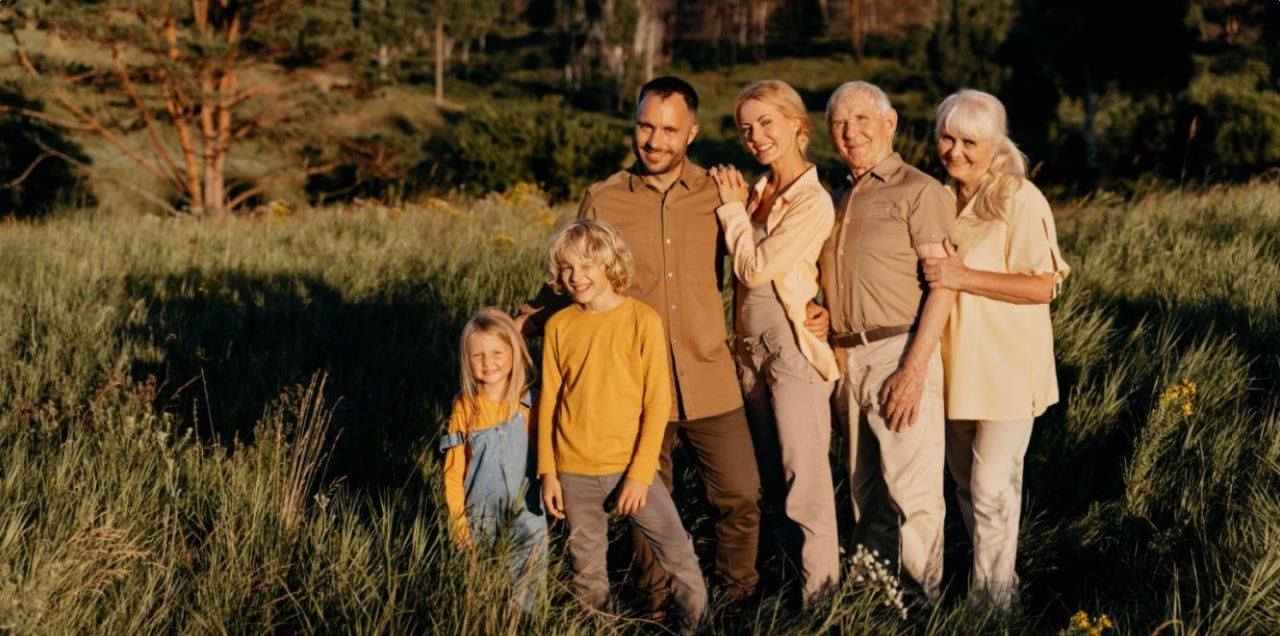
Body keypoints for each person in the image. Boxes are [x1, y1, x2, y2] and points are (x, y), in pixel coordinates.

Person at [517, 76, 768, 614]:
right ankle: (652, 608)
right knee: (642, 506)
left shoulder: (719, 193)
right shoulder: (604, 197)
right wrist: (523, 321)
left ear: (692, 133)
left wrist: (814, 305)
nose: (654, 140)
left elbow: (761, 262)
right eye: (645, 125)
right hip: (631, 388)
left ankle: (736, 602)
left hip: (708, 375)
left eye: (669, 130)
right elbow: (573, 275)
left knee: (741, 493)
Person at [923, 88, 1070, 610]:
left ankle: (995, 601)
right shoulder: (937, 198)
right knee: (966, 485)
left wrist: (963, 276)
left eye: (969, 141)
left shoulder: (1017, 197)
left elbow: (1043, 285)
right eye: (947, 137)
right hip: (954, 367)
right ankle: (990, 586)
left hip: (1008, 367)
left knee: (989, 484)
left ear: (995, 144)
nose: (955, 151)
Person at [819, 80, 956, 606]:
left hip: (900, 351)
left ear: (890, 122)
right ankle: (875, 599)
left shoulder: (919, 190)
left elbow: (942, 286)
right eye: (838, 123)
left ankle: (921, 605)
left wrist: (914, 368)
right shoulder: (837, 198)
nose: (850, 131)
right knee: (866, 492)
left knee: (913, 493)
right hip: (846, 357)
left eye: (860, 119)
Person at [536, 219, 708, 633]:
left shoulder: (642, 320)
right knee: (587, 567)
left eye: (586, 266)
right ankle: (598, 628)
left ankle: (696, 628)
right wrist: (548, 473)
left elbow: (657, 403)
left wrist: (639, 474)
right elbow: (549, 404)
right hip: (573, 471)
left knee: (678, 553)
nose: (576, 278)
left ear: (610, 264)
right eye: (567, 269)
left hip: (632, 469)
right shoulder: (559, 326)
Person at [707, 79, 840, 609]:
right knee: (772, 481)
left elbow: (756, 267)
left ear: (796, 125)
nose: (755, 136)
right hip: (747, 349)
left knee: (804, 480)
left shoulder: (813, 201)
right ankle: (789, 591)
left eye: (765, 123)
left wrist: (732, 210)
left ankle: (823, 604)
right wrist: (740, 205)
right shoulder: (758, 191)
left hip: (789, 347)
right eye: (746, 128)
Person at [439, 307, 547, 612]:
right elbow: (452, 472)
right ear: (467, 360)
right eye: (479, 355)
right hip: (480, 520)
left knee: (526, 597)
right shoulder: (465, 408)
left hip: (529, 514)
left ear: (515, 352)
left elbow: (549, 456)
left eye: (498, 352)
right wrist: (459, 526)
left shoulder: (531, 403)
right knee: (482, 595)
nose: (489, 363)